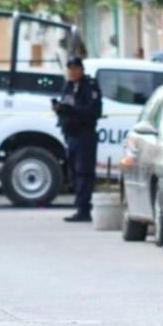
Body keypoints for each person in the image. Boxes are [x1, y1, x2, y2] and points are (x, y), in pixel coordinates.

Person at [53, 57, 101, 222]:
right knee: (73, 171)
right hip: (71, 134)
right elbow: (65, 105)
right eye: (70, 69)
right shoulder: (68, 86)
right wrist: (60, 109)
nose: (72, 72)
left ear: (81, 70)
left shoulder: (90, 86)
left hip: (85, 134)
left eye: (75, 69)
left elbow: (93, 111)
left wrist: (70, 109)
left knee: (84, 172)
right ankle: (80, 205)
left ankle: (84, 208)